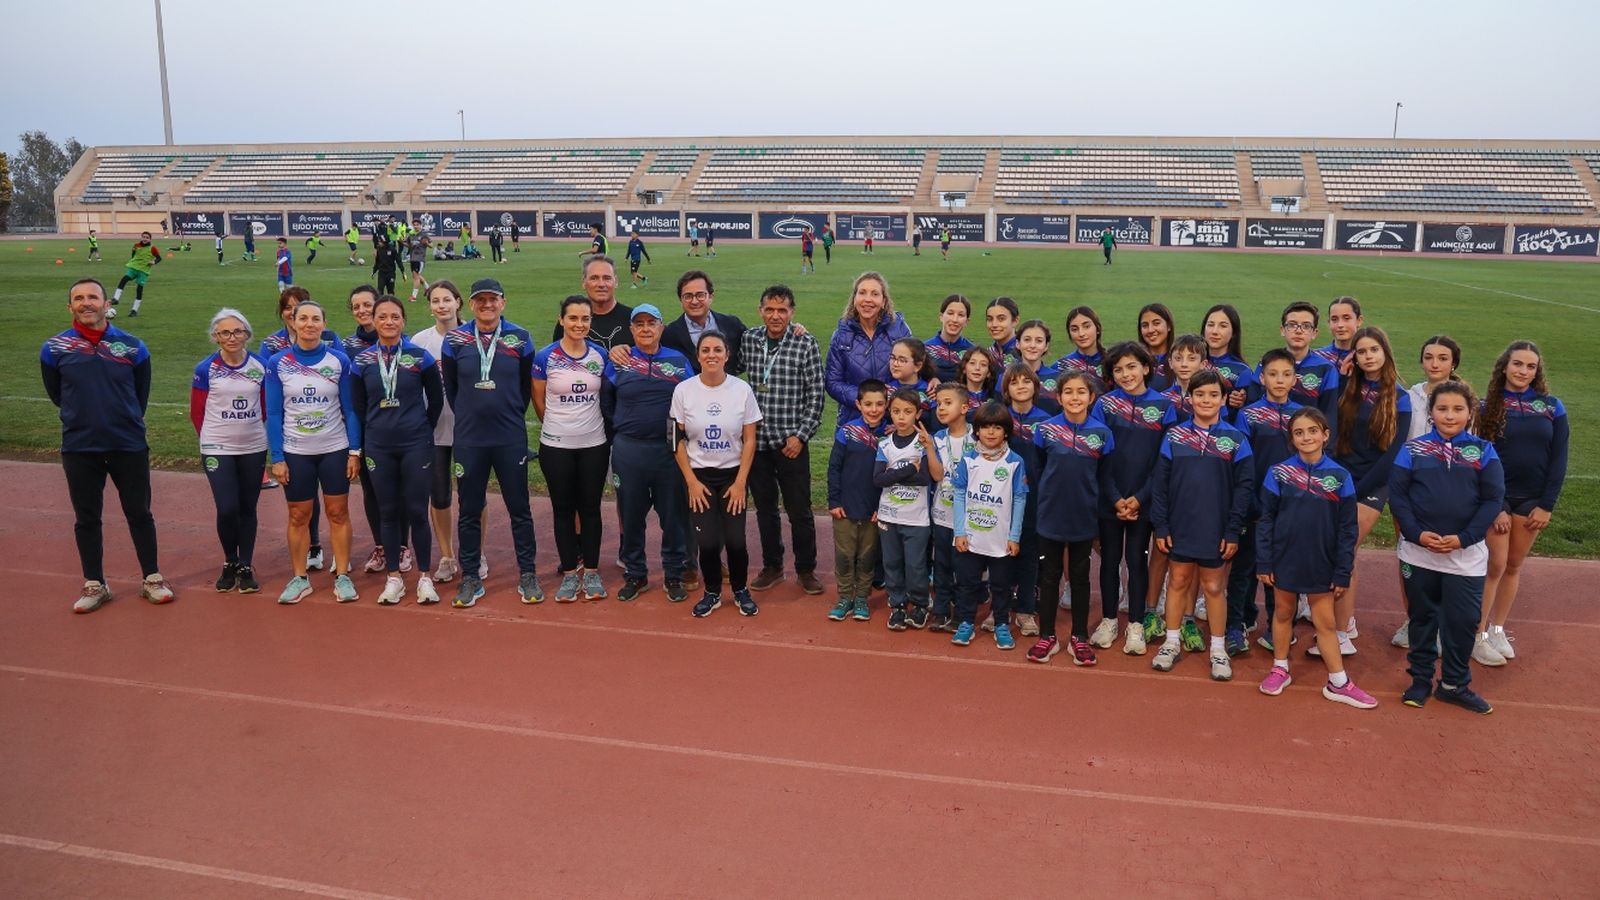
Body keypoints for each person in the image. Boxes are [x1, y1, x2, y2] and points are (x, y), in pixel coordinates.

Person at [42, 277, 171, 612]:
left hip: (127, 444)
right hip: (79, 446)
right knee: (87, 517)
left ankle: (152, 578)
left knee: (139, 513)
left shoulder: (132, 346)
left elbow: (139, 395)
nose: (87, 303)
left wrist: (122, 419)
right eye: (79, 298)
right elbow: (58, 394)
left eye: (93, 297)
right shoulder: (54, 348)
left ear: (105, 304)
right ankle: (95, 584)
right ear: (70, 306)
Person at [1390, 381, 1504, 715]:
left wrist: (1465, 538)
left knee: (1463, 621)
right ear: (1431, 412)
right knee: (1422, 618)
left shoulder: (1483, 451)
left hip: (1465, 557)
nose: (1449, 415)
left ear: (1470, 413)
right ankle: (1421, 680)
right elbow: (1398, 496)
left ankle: (1454, 684)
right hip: (1418, 552)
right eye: (1442, 409)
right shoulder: (1412, 450)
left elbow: (1492, 499)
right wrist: (1415, 534)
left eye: (1457, 409)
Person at [1256, 408, 1376, 708]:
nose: (1306, 437)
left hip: (1321, 560)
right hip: (1285, 558)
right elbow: (1266, 520)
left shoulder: (1340, 477)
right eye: (1299, 432)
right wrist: (1264, 561)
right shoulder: (1278, 473)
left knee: (1324, 622)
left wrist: (1342, 568)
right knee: (1283, 614)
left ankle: (1338, 681)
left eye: (1312, 431)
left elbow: (1348, 528)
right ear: (1292, 439)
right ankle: (1280, 668)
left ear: (1325, 434)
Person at [441, 278, 543, 607]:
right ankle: (470, 576)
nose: (487, 305)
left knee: (520, 510)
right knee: (469, 510)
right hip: (470, 438)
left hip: (509, 437)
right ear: (470, 305)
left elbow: (526, 387)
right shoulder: (455, 340)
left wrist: (509, 413)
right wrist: (473, 415)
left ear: (503, 302)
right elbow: (452, 388)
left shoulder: (521, 338)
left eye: (493, 299)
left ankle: (527, 573)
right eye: (480, 300)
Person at [1149, 368, 1255, 681]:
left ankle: (1218, 649)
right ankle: (1170, 643)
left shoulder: (1237, 440)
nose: (1205, 400)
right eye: (1199, 394)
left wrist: (1233, 528)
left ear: (1224, 399)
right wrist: (1161, 526)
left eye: (1213, 395)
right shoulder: (1174, 436)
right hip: (1180, 525)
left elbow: (1244, 487)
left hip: (1217, 528)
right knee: (1178, 581)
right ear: (1189, 398)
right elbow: (1160, 485)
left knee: (1213, 586)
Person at [1475, 341, 1567, 666]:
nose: (1523, 372)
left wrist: (1547, 505)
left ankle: (1498, 628)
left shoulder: (1552, 407)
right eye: (1517, 364)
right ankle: (1478, 634)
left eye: (1530, 367)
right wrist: (1495, 503)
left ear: (1537, 371)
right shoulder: (1487, 406)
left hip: (1533, 501)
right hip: (1498, 499)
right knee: (1494, 566)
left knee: (1514, 566)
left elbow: (1558, 461)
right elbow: (1482, 460)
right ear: (1504, 366)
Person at [264, 300, 362, 605]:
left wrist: (354, 451)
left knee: (338, 512)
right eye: (302, 318)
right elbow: (274, 413)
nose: (309, 324)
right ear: (293, 322)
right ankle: (299, 578)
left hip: (334, 448)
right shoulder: (278, 362)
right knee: (298, 515)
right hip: (296, 451)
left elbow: (350, 409)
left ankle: (343, 576)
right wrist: (277, 457)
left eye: (315, 319)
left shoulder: (339, 360)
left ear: (324, 323)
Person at [1324, 326, 1411, 657]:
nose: (1368, 356)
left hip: (1373, 483)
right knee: (1343, 552)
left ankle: (1342, 632)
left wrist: (1356, 488)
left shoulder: (1399, 397)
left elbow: (1392, 454)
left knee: (1345, 547)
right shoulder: (1348, 389)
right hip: (1340, 476)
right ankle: (1341, 623)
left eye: (1373, 350)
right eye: (1361, 352)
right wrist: (1342, 379)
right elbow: (1329, 426)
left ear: (1385, 353)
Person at [352, 296, 444, 605]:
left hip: (416, 443)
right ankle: (393, 578)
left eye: (395, 316)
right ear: (374, 321)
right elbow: (358, 405)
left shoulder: (420, 357)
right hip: (379, 446)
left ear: (403, 321)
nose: (388, 321)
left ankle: (425, 578)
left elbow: (436, 399)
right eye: (382, 316)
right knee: (388, 512)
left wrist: (419, 429)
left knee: (417, 512)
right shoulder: (362, 361)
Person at [602, 303, 694, 603]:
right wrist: (623, 429)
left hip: (669, 451)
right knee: (631, 515)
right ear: (631, 329)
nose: (645, 329)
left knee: (673, 516)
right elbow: (606, 400)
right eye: (638, 324)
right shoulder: (619, 361)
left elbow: (691, 400)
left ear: (661, 327)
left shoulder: (679, 362)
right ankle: (636, 574)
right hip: (630, 450)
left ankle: (673, 573)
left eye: (651, 323)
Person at [1028, 370, 1116, 666]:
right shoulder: (1045, 430)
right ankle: (1047, 635)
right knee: (1050, 576)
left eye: (1081, 392)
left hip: (1084, 516)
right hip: (1051, 515)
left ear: (1091, 397)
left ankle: (1078, 636)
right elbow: (1039, 469)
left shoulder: (1103, 434)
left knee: (1080, 578)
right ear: (1059, 395)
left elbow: (1105, 477)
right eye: (1068, 392)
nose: (1074, 397)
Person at [743, 285, 826, 595]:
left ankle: (806, 569)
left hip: (791, 443)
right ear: (760, 310)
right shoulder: (749, 340)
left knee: (800, 511)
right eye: (769, 309)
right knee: (765, 509)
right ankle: (773, 565)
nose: (775, 315)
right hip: (757, 442)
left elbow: (816, 394)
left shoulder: (805, 343)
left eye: (782, 310)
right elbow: (725, 368)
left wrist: (801, 436)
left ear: (792, 313)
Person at [1094, 342, 1177, 655]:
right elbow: (1100, 455)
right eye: (1118, 369)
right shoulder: (1104, 405)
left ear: (1146, 367)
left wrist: (1139, 499)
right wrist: (1115, 498)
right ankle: (1109, 619)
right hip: (1110, 500)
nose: (1126, 374)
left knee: (1136, 561)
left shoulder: (1165, 406)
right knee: (1110, 561)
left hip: (1145, 501)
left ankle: (1137, 625)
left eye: (1131, 367)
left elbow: (1163, 461)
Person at [673, 332, 761, 617]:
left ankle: (739, 589)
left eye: (718, 350)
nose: (712, 355)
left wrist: (740, 483)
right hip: (700, 477)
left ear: (727, 355)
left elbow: (749, 439)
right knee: (708, 542)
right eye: (706, 350)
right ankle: (711, 591)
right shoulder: (684, 391)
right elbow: (676, 440)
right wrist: (691, 483)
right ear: (698, 356)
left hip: (732, 475)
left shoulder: (741, 390)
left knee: (736, 541)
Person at [533, 295, 614, 603]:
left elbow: (607, 395)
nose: (579, 324)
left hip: (594, 444)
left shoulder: (600, 355)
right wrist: (559, 427)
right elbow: (539, 402)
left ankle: (591, 572)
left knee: (591, 510)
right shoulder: (545, 357)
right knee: (563, 510)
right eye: (573, 318)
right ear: (561, 320)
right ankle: (569, 574)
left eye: (585, 319)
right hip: (556, 446)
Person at [409, 280, 488, 586]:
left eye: (447, 300)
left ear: (459, 303)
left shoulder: (475, 336)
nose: (441, 306)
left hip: (471, 429)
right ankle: (446, 556)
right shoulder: (420, 341)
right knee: (439, 496)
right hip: (433, 430)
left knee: (474, 496)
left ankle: (477, 554)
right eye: (435, 301)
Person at [1231, 348, 1306, 651]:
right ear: (1261, 378)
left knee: (1281, 571)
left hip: (1288, 508)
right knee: (1244, 568)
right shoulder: (1248, 415)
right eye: (1272, 374)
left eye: (1286, 374)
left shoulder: (1300, 417)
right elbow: (1242, 464)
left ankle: (1279, 626)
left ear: (1294, 379)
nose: (1279, 380)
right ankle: (1237, 623)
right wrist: (1251, 504)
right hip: (1253, 506)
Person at [191, 308, 267, 595]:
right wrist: (212, 439)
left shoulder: (261, 365)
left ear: (247, 334)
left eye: (237, 331)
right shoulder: (205, 369)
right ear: (215, 337)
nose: (232, 337)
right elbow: (197, 412)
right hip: (216, 446)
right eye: (225, 332)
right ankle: (230, 560)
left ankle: (246, 565)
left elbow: (264, 405)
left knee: (247, 508)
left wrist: (248, 431)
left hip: (252, 445)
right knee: (227, 508)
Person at [949, 401, 1029, 650]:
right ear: (977, 431)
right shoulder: (968, 459)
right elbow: (959, 494)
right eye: (985, 427)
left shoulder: (1015, 462)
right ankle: (965, 623)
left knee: (1002, 585)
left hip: (1001, 539)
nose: (991, 432)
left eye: (997, 427)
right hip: (971, 538)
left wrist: (1014, 536)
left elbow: (1019, 498)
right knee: (968, 583)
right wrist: (959, 531)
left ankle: (1002, 624)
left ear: (1006, 431)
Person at [342, 286, 400, 576]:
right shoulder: (346, 346)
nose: (362, 311)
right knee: (372, 490)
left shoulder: (401, 341)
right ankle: (381, 546)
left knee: (400, 492)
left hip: (400, 429)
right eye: (356, 307)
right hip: (365, 429)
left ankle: (401, 547)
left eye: (367, 304)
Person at [874, 388, 939, 631]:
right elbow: (878, 479)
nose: (901, 417)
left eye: (908, 412)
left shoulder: (922, 443)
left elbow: (924, 479)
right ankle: (898, 605)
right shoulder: (885, 443)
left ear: (918, 414)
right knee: (891, 563)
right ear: (889, 413)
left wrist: (893, 475)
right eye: (896, 411)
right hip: (889, 515)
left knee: (915, 565)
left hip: (916, 518)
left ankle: (921, 603)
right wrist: (908, 469)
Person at [826, 380, 890, 622]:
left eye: (879, 404)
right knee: (844, 555)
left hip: (873, 510)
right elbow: (834, 468)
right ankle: (844, 597)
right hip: (845, 507)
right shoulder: (847, 432)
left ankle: (862, 597)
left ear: (886, 405)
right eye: (868, 404)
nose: (874, 409)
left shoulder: (890, 434)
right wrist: (834, 501)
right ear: (858, 404)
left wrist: (881, 507)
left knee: (867, 556)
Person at [995, 363, 1048, 638]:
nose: (1021, 386)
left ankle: (1026, 610)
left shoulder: (1048, 419)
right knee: (1000, 555)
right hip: (1001, 500)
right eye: (1014, 382)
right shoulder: (999, 419)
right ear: (1006, 390)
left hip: (1035, 499)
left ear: (1035, 387)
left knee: (1029, 556)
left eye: (1026, 381)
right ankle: (999, 609)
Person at [823, 271, 912, 423]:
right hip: (853, 421)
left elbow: (913, 371)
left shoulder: (900, 330)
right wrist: (865, 399)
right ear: (854, 299)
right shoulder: (841, 335)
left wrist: (887, 397)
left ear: (884, 301)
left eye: (875, 294)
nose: (867, 299)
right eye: (862, 293)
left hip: (894, 422)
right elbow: (832, 382)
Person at [928, 383, 971, 632]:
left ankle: (964, 612)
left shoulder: (977, 437)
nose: (941, 408)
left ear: (964, 407)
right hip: (942, 515)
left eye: (947, 403)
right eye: (938, 404)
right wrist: (929, 449)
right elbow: (936, 475)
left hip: (967, 519)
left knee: (964, 569)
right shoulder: (937, 438)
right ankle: (942, 609)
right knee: (942, 565)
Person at [657, 271, 744, 374]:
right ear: (681, 299)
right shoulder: (669, 334)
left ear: (711, 297)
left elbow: (755, 344)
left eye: (700, 295)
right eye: (688, 296)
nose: (694, 301)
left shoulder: (732, 325)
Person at [1274, 300, 1341, 424]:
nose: (1298, 331)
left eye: (1306, 326)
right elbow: (1253, 402)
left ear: (1314, 333)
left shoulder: (1326, 369)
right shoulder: (1268, 363)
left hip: (1308, 440)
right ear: (1283, 330)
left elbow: (1329, 415)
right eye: (1292, 325)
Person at [554, 256, 634, 351]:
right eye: (594, 278)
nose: (601, 284)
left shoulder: (633, 320)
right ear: (584, 282)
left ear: (616, 282)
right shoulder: (570, 322)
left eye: (607, 278)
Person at [1201, 304, 1260, 412]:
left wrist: (1242, 402)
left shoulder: (1242, 371)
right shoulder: (1190, 363)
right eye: (1210, 325)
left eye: (1223, 326)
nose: (1214, 331)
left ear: (1234, 332)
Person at [1406, 335, 1461, 442]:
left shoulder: (1464, 400)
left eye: (1443, 359)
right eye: (1428, 358)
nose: (1434, 364)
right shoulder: (1409, 397)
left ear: (1453, 363)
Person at [925, 294, 974, 384]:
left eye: (961, 315)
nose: (955, 319)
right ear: (941, 316)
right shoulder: (925, 349)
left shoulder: (972, 352)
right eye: (950, 313)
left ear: (967, 321)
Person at [111, 231, 161, 318]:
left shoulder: (153, 248)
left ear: (150, 239)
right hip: (134, 268)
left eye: (147, 237)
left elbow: (159, 258)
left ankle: (134, 310)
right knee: (124, 279)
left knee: (139, 289)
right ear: (141, 237)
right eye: (143, 237)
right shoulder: (136, 246)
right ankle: (116, 299)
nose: (145, 239)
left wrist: (154, 262)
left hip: (144, 271)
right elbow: (133, 255)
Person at [1016, 319, 1061, 416]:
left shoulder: (1057, 378)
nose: (1032, 345)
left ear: (1046, 346)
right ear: (1018, 344)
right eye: (1027, 340)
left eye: (1039, 341)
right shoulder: (1006, 377)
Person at [1315, 296, 1364, 371]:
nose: (1340, 325)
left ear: (1359, 321)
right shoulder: (1318, 356)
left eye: (1346, 318)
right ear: (1329, 323)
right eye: (1334, 319)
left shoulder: (1367, 358)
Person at [1137, 303, 1175, 390]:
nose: (1150, 330)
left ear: (1168, 326)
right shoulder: (1135, 361)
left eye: (1156, 323)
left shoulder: (1180, 361)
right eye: (1145, 325)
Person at [983, 297, 1021, 370]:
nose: (994, 324)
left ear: (1015, 321)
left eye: (1001, 319)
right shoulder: (988, 354)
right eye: (990, 319)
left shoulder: (1024, 352)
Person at [956, 346, 996, 412]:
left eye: (983, 365)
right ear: (964, 369)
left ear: (989, 373)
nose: (977, 368)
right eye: (972, 363)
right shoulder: (955, 396)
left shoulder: (995, 398)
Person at [407, 229, 431, 301]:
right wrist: (401, 242)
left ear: (420, 226)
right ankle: (428, 288)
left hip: (420, 259)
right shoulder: (411, 235)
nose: (416, 226)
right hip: (413, 258)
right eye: (414, 224)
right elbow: (409, 246)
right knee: (416, 276)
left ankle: (414, 297)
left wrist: (427, 243)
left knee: (416, 277)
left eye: (417, 224)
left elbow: (431, 245)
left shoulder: (424, 235)